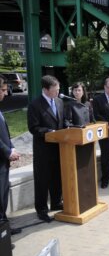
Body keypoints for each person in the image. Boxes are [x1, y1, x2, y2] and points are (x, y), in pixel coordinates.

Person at [27, 75, 64, 223]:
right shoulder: (35, 105)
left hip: (59, 149)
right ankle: (41, 209)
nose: (57, 92)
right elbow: (33, 127)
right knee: (42, 181)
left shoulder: (60, 102)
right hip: (43, 151)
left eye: (58, 89)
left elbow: (62, 122)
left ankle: (56, 202)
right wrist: (48, 132)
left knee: (57, 178)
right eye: (55, 90)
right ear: (46, 90)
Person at [0, 76, 21, 234]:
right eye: (3, 90)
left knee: (3, 195)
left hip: (4, 161)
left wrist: (12, 148)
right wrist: (7, 152)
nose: (6, 93)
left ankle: (4, 229)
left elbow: (4, 134)